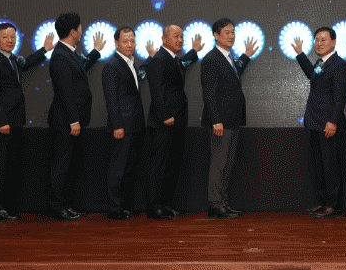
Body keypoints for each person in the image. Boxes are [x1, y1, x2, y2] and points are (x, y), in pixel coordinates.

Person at [0, 23, 55, 221]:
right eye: (5, 37)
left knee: (10, 166)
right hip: (1, 124)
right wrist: (2, 122)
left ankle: (5, 206)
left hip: (14, 122)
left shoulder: (12, 59)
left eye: (13, 36)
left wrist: (44, 50)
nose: (10, 40)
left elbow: (26, 63)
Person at [141, 25, 203, 220]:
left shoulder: (173, 59)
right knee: (159, 166)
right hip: (164, 123)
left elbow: (181, 69)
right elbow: (157, 90)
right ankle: (155, 207)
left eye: (181, 36)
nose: (180, 40)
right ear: (164, 39)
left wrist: (194, 51)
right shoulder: (159, 59)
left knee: (172, 165)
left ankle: (166, 204)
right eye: (176, 36)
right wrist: (165, 115)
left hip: (177, 123)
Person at [48, 13, 104, 220]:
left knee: (69, 165)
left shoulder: (67, 53)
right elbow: (65, 92)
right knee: (62, 166)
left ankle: (67, 204)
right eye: (80, 29)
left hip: (72, 121)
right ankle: (58, 207)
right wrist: (73, 120)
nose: (81, 32)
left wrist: (95, 52)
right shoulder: (60, 56)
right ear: (73, 32)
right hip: (66, 122)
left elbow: (81, 68)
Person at [201, 18, 258, 218]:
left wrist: (246, 56)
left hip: (232, 120)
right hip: (220, 123)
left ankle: (223, 202)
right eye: (227, 32)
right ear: (216, 35)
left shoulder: (228, 57)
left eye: (233, 32)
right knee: (219, 164)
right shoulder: (211, 59)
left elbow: (233, 74)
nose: (231, 36)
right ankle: (216, 204)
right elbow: (209, 93)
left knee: (228, 163)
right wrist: (216, 120)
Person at [293, 27, 346, 219]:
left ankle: (334, 204)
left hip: (328, 124)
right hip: (314, 122)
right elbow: (312, 76)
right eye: (317, 40)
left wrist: (332, 121)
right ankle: (323, 201)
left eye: (323, 40)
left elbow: (340, 97)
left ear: (333, 42)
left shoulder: (340, 65)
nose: (319, 43)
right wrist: (300, 54)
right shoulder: (320, 62)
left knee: (330, 165)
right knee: (318, 165)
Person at [102, 27, 145, 220]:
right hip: (122, 126)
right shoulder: (112, 65)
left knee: (129, 168)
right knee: (118, 168)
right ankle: (115, 208)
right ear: (116, 43)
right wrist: (117, 125)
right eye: (125, 41)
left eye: (132, 41)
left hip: (135, 124)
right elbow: (111, 99)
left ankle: (125, 206)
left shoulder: (131, 63)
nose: (130, 45)